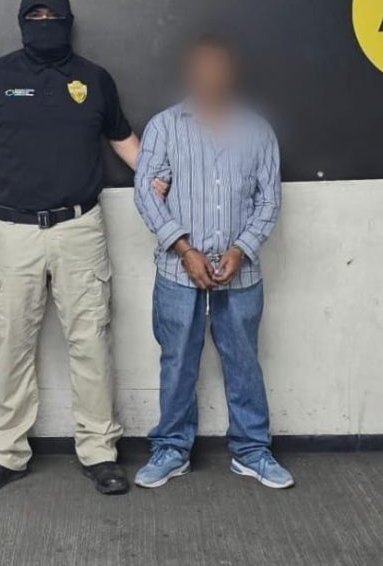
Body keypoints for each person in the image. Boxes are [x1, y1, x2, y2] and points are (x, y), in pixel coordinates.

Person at [0, 0, 140, 496]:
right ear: (23, 21)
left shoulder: (95, 79)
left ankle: (99, 451)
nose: (44, 23)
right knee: (12, 344)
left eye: (52, 16)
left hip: (79, 229)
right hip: (14, 232)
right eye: (36, 15)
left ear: (68, 21)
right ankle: (5, 453)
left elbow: (124, 140)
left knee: (91, 342)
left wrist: (163, 177)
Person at [132, 35, 294, 490]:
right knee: (177, 362)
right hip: (178, 271)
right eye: (202, 69)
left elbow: (269, 200)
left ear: (232, 75)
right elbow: (146, 193)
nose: (210, 78)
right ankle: (171, 449)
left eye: (219, 69)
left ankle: (252, 450)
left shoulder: (257, 130)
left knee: (243, 361)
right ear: (190, 74)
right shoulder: (165, 128)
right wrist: (184, 249)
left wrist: (240, 249)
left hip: (241, 273)